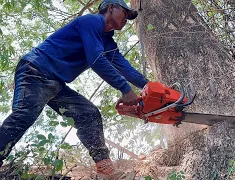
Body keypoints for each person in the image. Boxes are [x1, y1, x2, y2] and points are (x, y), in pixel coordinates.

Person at [0, 0, 148, 179]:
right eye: (125, 13)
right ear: (111, 8)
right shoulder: (92, 22)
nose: (127, 19)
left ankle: (104, 168)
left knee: (88, 113)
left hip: (55, 82)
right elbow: (96, 60)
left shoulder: (107, 42)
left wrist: (147, 85)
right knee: (25, 114)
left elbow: (125, 67)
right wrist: (125, 89)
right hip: (36, 69)